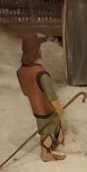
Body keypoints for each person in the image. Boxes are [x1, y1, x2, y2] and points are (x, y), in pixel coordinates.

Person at [16, 34, 66, 163]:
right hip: (45, 108)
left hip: (35, 107)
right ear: (36, 51)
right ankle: (46, 153)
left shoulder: (20, 71)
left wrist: (34, 94)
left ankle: (59, 141)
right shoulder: (41, 73)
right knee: (46, 131)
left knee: (55, 122)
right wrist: (58, 108)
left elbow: (25, 92)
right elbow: (52, 96)